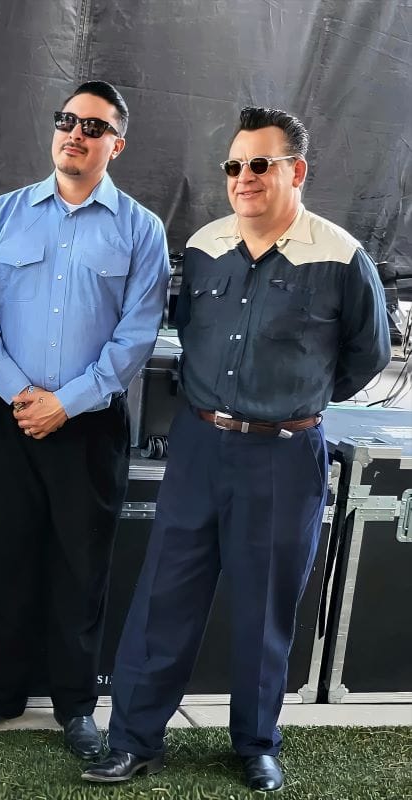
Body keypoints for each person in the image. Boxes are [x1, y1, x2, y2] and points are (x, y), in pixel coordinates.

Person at [83, 107, 391, 791]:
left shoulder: (341, 257)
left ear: (296, 171)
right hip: (198, 447)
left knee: (264, 608)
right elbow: (188, 330)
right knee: (164, 597)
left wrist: (292, 400)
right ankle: (133, 739)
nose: (242, 177)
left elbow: (366, 357)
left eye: (259, 164)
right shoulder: (203, 247)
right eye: (233, 166)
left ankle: (255, 744)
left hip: (284, 455)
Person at [0, 81, 170, 758]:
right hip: (11, 416)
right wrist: (23, 394)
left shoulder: (141, 230)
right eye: (67, 120)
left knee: (82, 566)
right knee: (6, 553)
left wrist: (66, 402)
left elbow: (135, 337)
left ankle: (75, 705)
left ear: (116, 145)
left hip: (90, 424)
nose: (76, 133)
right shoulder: (2, 215)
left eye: (93, 126)